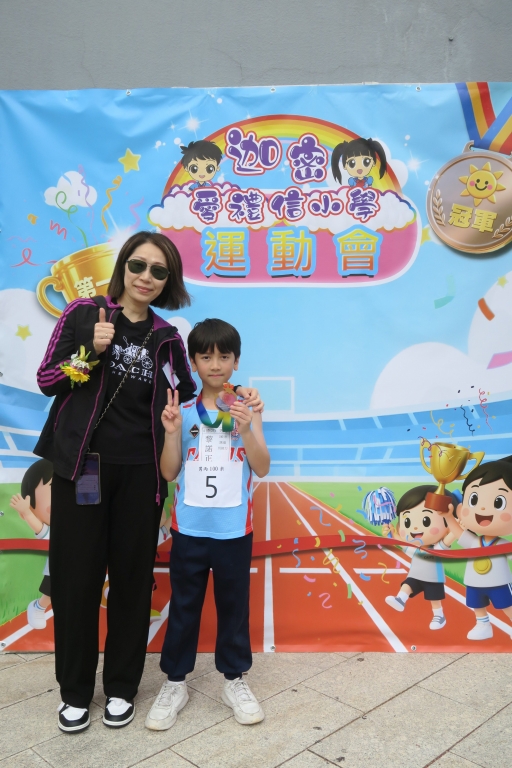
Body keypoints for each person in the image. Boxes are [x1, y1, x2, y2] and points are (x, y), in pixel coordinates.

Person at [34, 231, 260, 733]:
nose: (146, 277)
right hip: (82, 468)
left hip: (142, 474)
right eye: (138, 265)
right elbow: (47, 380)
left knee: (133, 583)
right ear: (123, 266)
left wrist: (241, 395)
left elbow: (198, 390)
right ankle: (75, 693)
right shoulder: (84, 314)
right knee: (76, 582)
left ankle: (121, 688)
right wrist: (89, 353)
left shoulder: (166, 337)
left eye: (159, 271)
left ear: (168, 281)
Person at [145, 319, 270, 731]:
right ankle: (174, 683)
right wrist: (171, 434)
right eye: (205, 356)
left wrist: (246, 430)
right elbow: (169, 472)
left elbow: (262, 467)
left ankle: (234, 680)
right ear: (194, 362)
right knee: (184, 607)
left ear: (236, 361)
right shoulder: (182, 413)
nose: (215, 364)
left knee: (233, 607)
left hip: (234, 530)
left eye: (224, 356)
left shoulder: (248, 408)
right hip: (189, 530)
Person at [441, 456, 512, 640]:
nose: (483, 509)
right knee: (476, 604)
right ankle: (483, 624)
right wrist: (448, 517)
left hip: (499, 583)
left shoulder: (503, 545)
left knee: (507, 605)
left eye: (498, 503)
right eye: (473, 499)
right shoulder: (474, 542)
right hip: (474, 583)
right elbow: (458, 533)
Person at [383, 485, 457, 630]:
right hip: (415, 576)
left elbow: (449, 538)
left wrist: (456, 528)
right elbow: (401, 542)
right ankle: (400, 599)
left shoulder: (437, 549)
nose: (415, 528)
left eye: (426, 521)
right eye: (407, 522)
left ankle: (439, 616)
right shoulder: (415, 549)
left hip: (433, 579)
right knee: (407, 585)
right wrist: (391, 532)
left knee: (435, 599)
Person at [10, 459, 53, 629]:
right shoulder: (55, 530)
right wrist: (27, 512)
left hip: (83, 565)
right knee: (51, 591)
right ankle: (38, 607)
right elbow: (41, 530)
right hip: (57, 568)